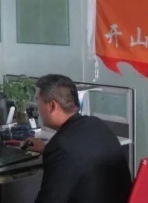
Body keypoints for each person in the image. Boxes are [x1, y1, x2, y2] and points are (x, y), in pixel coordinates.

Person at [26, 74, 132, 203]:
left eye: (39, 102)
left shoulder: (61, 146)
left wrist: (52, 151)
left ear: (52, 106)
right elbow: (82, 153)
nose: (38, 109)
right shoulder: (96, 124)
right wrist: (47, 149)